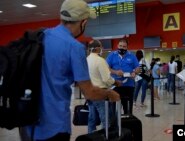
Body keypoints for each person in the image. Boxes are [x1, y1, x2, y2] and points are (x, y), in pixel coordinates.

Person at [21, 0, 120, 140]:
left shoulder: (41, 36)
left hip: (28, 123)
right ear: (83, 22)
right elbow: (89, 92)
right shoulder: (74, 47)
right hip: (54, 125)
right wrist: (109, 93)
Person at [86, 40, 122, 133]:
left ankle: (91, 136)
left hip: (89, 92)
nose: (102, 49)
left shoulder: (86, 60)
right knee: (105, 118)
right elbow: (106, 79)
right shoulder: (100, 60)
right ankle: (106, 136)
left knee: (92, 117)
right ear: (97, 48)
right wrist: (115, 82)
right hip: (100, 93)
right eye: (101, 47)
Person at [106, 38, 140, 114]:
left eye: (124, 46)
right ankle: (114, 124)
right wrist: (115, 72)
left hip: (129, 85)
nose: (122, 48)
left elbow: (137, 68)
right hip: (115, 85)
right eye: (120, 46)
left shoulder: (132, 56)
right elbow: (106, 67)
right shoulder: (112, 55)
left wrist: (134, 72)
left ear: (127, 47)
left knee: (128, 108)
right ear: (118, 46)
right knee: (113, 108)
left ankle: (127, 122)